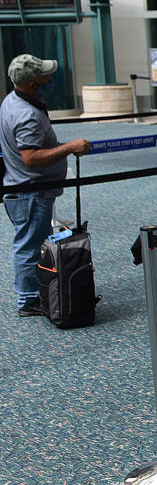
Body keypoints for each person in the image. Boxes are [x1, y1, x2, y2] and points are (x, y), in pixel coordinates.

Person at [0, 54, 91, 317]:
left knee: (30, 241)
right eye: (45, 75)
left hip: (23, 188)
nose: (50, 78)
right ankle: (28, 300)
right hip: (30, 190)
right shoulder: (26, 114)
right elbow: (30, 158)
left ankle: (32, 294)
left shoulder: (13, 100)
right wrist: (69, 147)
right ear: (32, 84)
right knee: (29, 244)